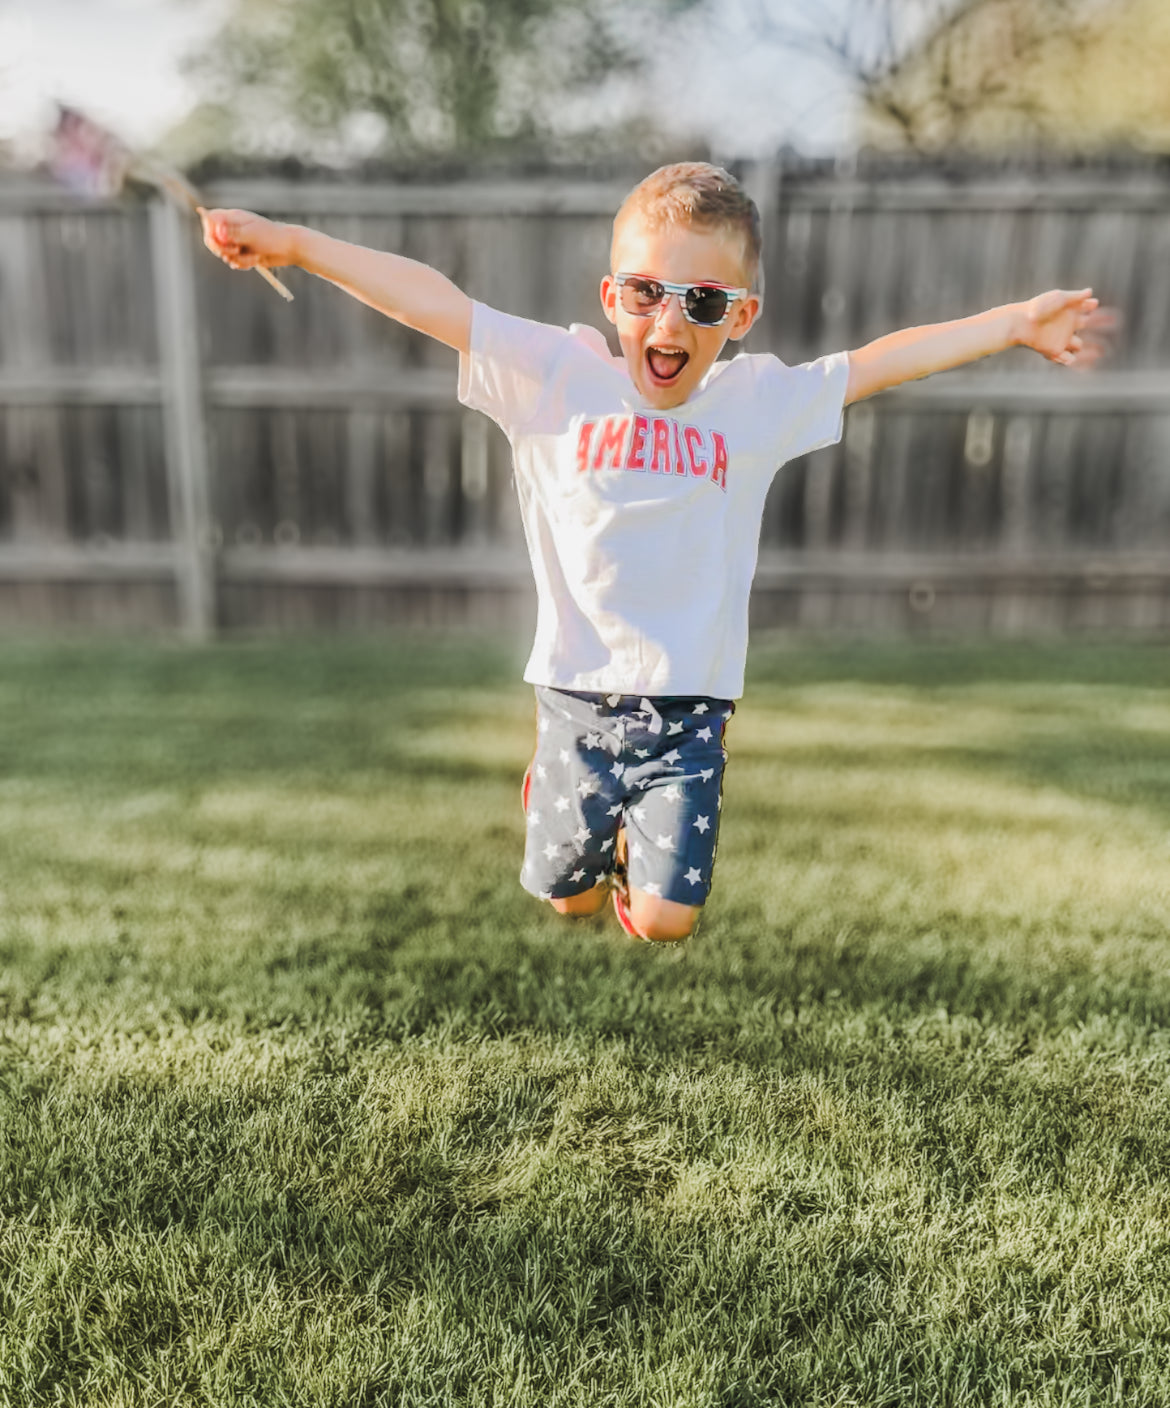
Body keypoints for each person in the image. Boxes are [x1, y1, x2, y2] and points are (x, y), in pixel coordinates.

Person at [198, 162, 1107, 945]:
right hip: (575, 697)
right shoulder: (555, 374)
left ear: (740, 315)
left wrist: (1013, 324)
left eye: (702, 302)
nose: (669, 322)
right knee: (569, 898)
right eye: (646, 293)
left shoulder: (755, 404)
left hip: (691, 709)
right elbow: (431, 301)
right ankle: (560, 813)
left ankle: (643, 855)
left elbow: (878, 362)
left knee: (668, 920)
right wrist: (293, 243)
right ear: (612, 296)